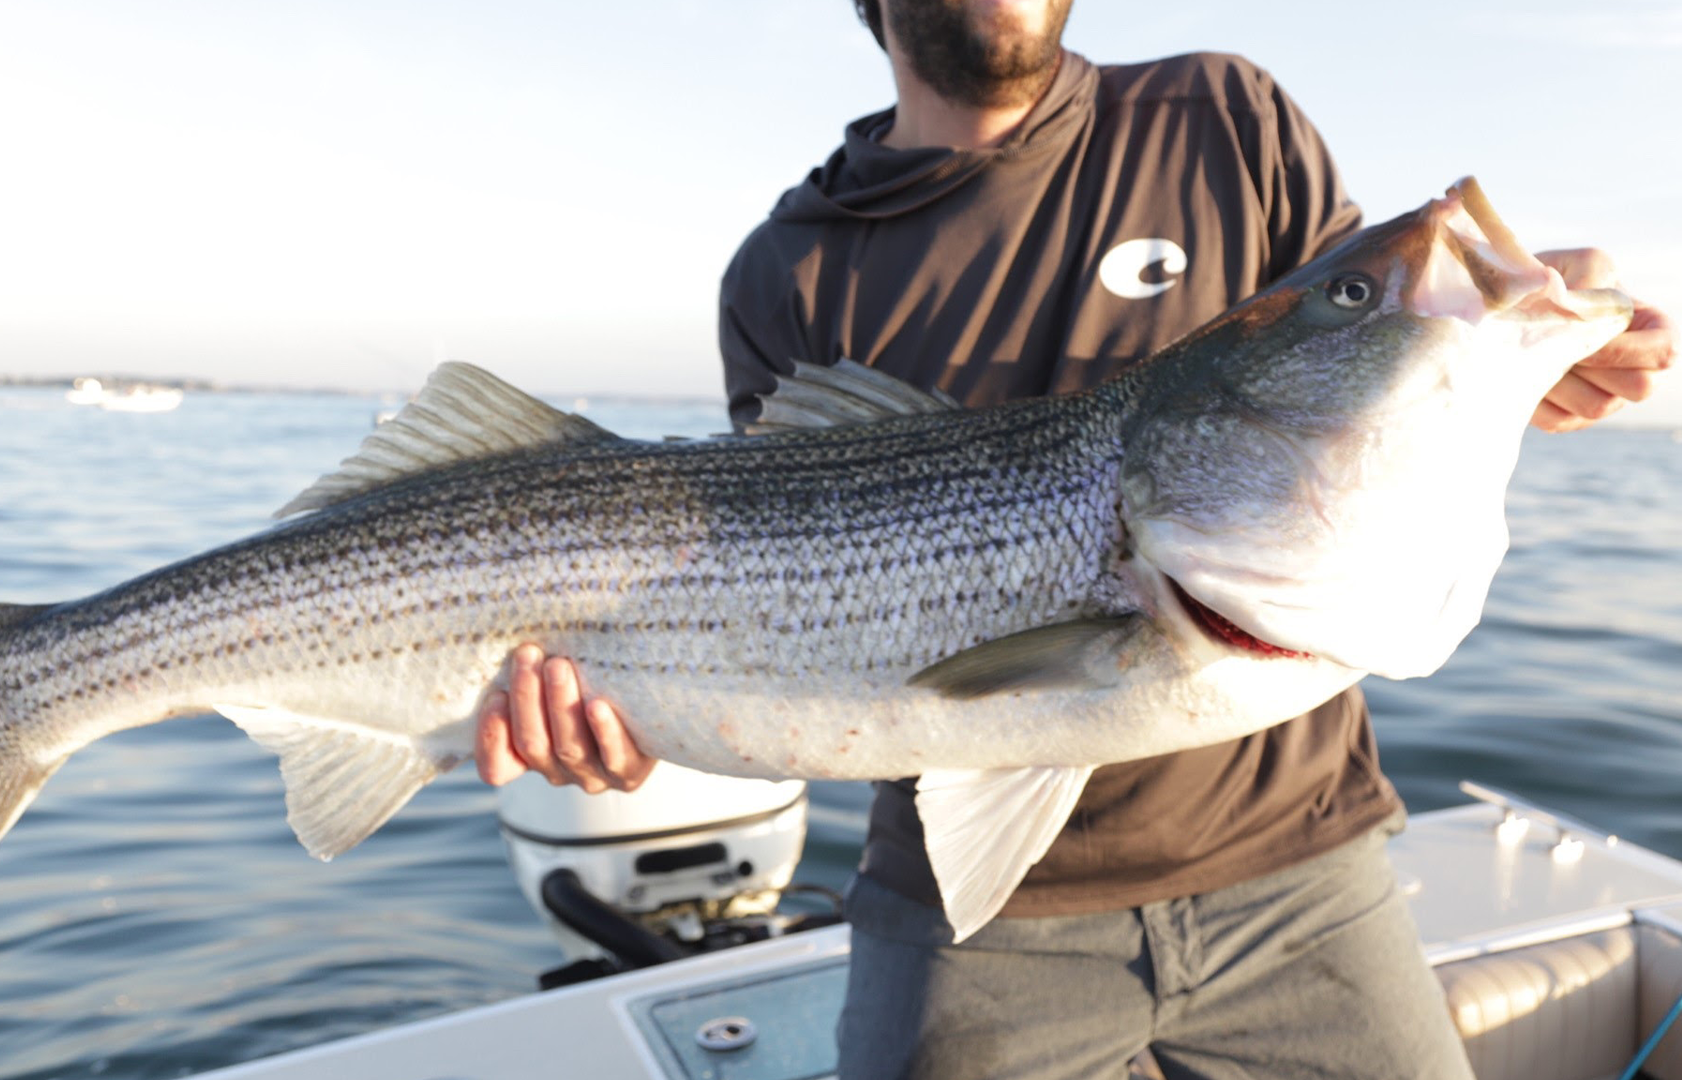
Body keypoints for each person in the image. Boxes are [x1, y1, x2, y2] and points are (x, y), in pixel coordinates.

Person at [475, 1, 1676, 1076]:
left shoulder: (1223, 116)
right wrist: (639, 719)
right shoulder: (789, 266)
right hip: (968, 910)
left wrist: (1507, 372)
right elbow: (774, 609)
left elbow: (1340, 367)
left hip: (1298, 863)